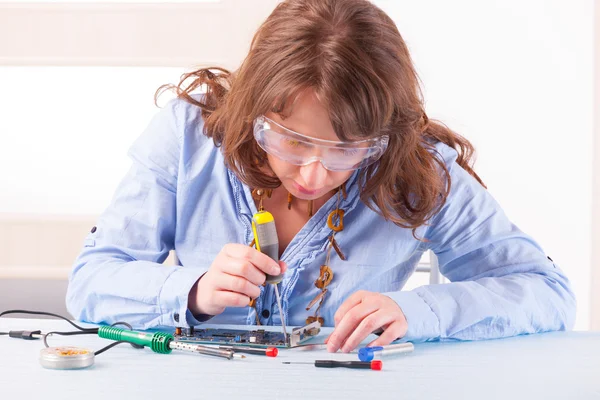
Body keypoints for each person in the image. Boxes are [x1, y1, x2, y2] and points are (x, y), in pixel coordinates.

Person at [66, 0, 576, 353]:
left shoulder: (418, 168)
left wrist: (416, 312)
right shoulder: (188, 134)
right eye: (291, 139)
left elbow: (547, 293)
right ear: (254, 111)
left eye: (346, 149)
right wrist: (193, 291)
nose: (313, 173)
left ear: (384, 136)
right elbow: (91, 282)